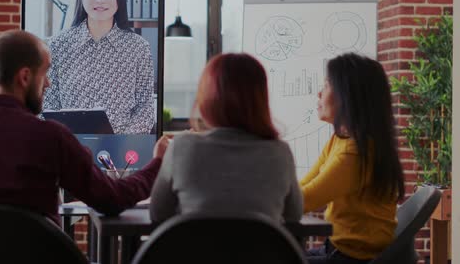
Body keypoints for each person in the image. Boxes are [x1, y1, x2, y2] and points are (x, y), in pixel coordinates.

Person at [0, 30, 171, 225]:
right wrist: (159, 161)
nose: (49, 84)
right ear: (25, 77)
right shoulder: (50, 138)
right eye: (45, 74)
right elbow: (112, 199)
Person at [150, 53, 302, 223]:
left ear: (207, 99)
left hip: (196, 249)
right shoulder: (280, 152)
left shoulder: (181, 148)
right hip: (259, 249)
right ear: (261, 100)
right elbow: (293, 215)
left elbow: (158, 214)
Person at [300, 53, 405, 264]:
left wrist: (258, 203)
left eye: (327, 85)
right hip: (336, 250)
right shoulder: (340, 141)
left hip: (352, 259)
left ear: (348, 96)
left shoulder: (355, 153)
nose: (319, 93)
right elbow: (304, 186)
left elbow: (305, 199)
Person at [43, 0, 154, 134]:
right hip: (67, 149)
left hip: (121, 153)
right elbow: (47, 106)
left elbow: (145, 110)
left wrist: (119, 142)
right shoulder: (57, 45)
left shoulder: (138, 48)